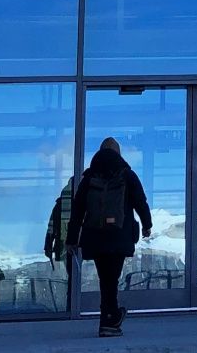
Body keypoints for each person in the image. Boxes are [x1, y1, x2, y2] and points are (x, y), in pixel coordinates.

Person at [62, 138, 152, 337]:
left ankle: (110, 318)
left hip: (95, 236)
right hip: (119, 235)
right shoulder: (127, 175)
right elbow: (140, 202)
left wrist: (71, 239)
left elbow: (77, 211)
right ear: (118, 153)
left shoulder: (89, 177)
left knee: (106, 279)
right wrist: (147, 225)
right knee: (111, 278)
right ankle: (110, 320)